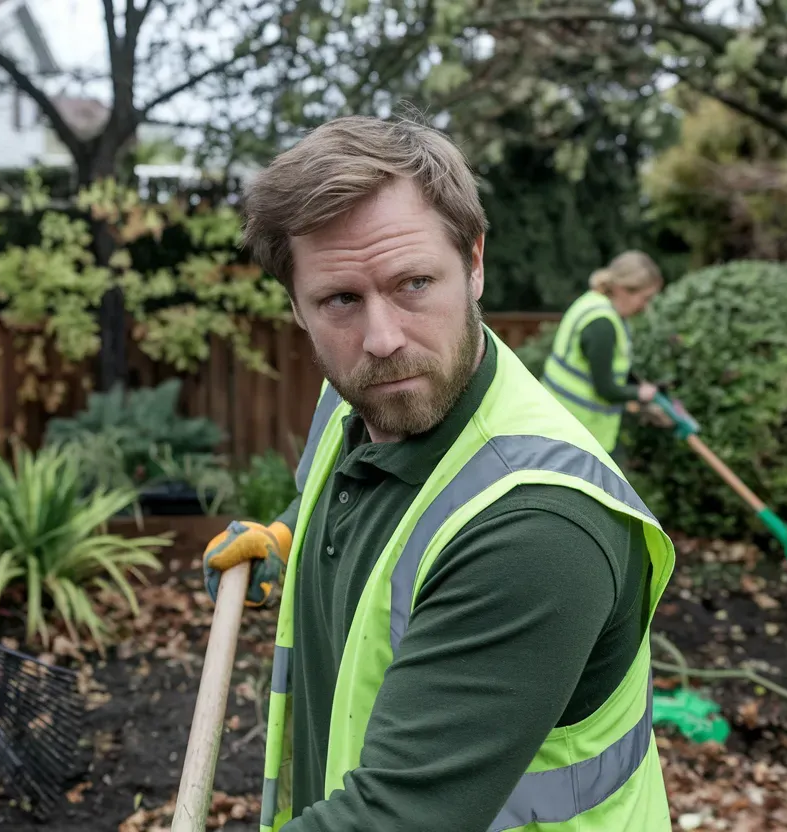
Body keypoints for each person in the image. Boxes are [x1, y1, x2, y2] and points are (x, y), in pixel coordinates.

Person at [200, 114, 676, 832]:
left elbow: (393, 818)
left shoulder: (538, 532)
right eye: (341, 300)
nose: (384, 339)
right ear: (296, 307)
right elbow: (355, 493)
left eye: (414, 282)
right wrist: (287, 538)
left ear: (475, 261)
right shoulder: (357, 394)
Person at [540, 252, 666, 462]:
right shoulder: (602, 325)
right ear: (622, 289)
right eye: (645, 298)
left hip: (558, 423)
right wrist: (642, 393)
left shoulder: (591, 303)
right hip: (581, 433)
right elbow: (606, 389)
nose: (645, 307)